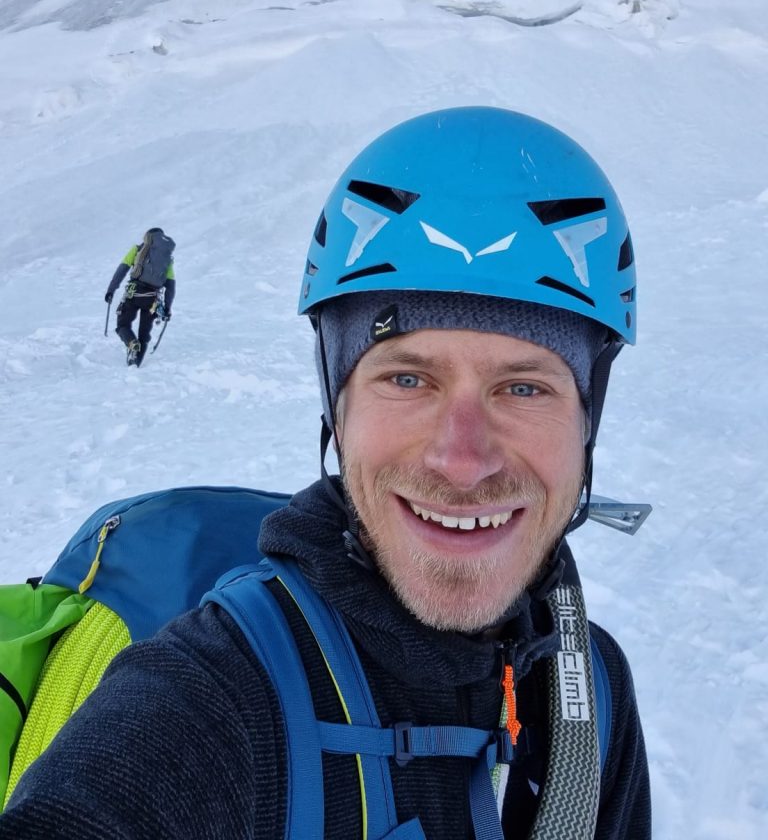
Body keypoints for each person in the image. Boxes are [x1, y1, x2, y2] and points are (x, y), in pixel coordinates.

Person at [1, 108, 649, 838]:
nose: (463, 460)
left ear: (587, 420)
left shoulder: (590, 693)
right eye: (407, 380)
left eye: (525, 387)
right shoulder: (217, 696)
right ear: (336, 409)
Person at [104, 228, 175, 366]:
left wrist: (111, 290)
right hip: (153, 299)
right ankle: (135, 364)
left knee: (122, 325)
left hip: (133, 293)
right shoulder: (167, 259)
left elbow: (121, 270)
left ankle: (131, 342)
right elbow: (171, 287)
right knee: (144, 334)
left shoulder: (137, 250)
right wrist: (167, 308)